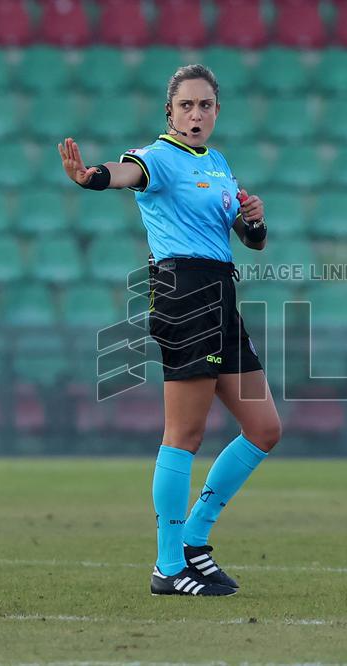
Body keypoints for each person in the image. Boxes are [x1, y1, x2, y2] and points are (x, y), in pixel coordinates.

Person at [58, 64, 282, 597]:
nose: (196, 114)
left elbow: (251, 241)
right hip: (185, 295)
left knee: (265, 427)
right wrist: (91, 176)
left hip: (221, 296)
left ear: (217, 112)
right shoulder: (160, 156)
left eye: (205, 105)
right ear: (170, 112)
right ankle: (167, 564)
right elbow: (125, 172)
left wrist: (253, 218)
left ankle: (195, 543)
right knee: (184, 435)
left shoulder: (219, 163)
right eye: (186, 105)